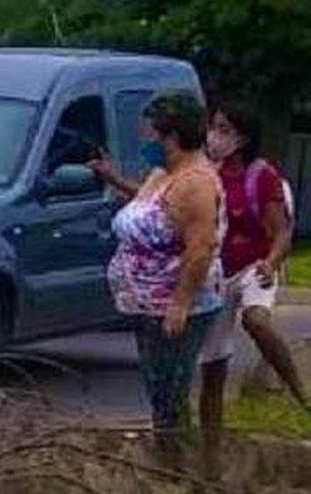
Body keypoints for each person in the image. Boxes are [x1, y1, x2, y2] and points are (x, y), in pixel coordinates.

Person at [91, 91, 223, 464]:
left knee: (169, 393)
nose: (145, 140)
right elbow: (150, 209)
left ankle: (176, 469)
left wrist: (179, 305)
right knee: (158, 390)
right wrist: (114, 179)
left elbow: (200, 249)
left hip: (175, 306)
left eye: (152, 134)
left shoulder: (195, 182)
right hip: (145, 302)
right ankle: (170, 462)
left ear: (173, 136)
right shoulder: (165, 173)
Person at [198, 104, 307, 450]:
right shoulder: (205, 172)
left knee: (256, 320)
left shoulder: (262, 175)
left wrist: (271, 263)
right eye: (213, 127)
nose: (214, 136)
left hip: (255, 266)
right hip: (217, 273)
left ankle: (299, 391)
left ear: (242, 138)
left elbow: (281, 232)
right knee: (212, 368)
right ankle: (209, 453)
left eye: (223, 129)